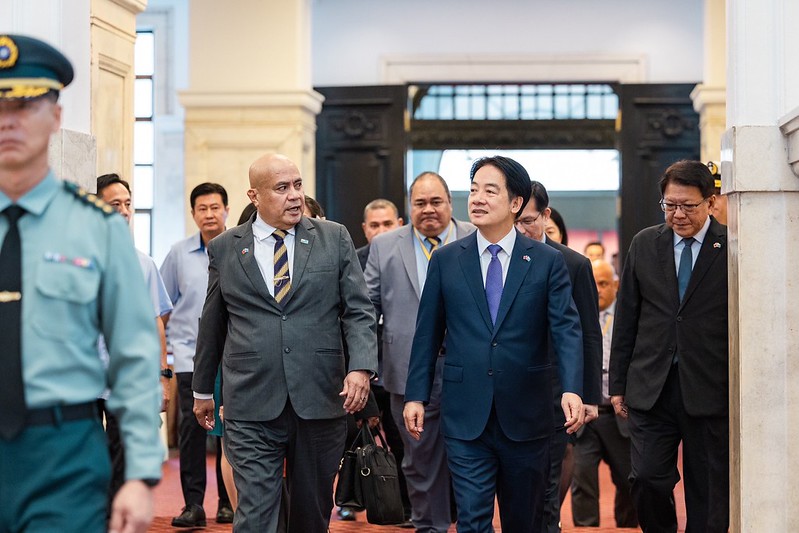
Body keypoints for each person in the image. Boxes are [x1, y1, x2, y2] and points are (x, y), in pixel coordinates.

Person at [0, 34, 162, 533]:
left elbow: (134, 354)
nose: (8, 119)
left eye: (25, 104)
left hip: (63, 453)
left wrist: (139, 472)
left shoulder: (97, 227)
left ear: (56, 115)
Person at [191, 153, 378, 533]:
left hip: (320, 397)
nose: (294, 196)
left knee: (310, 515)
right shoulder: (226, 248)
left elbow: (358, 311)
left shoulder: (334, 238)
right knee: (256, 515)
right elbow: (213, 322)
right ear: (254, 195)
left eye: (297, 185)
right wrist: (201, 390)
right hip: (250, 400)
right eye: (281, 188)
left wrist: (360, 367)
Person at [404, 156, 585, 533]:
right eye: (473, 190)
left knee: (525, 521)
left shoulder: (546, 262)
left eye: (490, 190)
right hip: (465, 413)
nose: (477, 199)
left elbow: (566, 329)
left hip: (528, 413)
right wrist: (415, 395)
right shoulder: (448, 260)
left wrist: (572, 389)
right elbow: (427, 333)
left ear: (516, 202)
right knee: (472, 520)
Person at [609, 160, 729, 532]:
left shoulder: (731, 246)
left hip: (710, 386)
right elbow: (626, 315)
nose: (677, 214)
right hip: (651, 387)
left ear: (710, 202)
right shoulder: (645, 243)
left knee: (708, 491)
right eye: (669, 205)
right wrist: (617, 385)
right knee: (647, 479)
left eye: (688, 206)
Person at [365, 172, 474, 532]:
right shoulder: (384, 246)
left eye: (436, 201)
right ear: (409, 207)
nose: (428, 209)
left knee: (473, 459)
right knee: (420, 462)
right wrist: (364, 368)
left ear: (450, 203)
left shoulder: (475, 237)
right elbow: (365, 311)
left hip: (471, 371)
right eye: (420, 203)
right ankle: (431, 528)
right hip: (407, 371)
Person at [514, 181, 603, 533]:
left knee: (547, 489)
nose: (520, 229)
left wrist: (590, 396)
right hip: (507, 392)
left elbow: (589, 333)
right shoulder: (494, 261)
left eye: (528, 221)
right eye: (515, 221)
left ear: (546, 216)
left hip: (554, 394)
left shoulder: (574, 264)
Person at [96, 173, 174, 509]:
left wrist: (162, 376)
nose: (125, 211)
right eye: (116, 204)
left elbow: (156, 320)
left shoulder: (143, 263)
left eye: (129, 204)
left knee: (122, 457)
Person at [160, 182, 233, 527]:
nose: (209, 214)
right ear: (193, 214)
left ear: (226, 210)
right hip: (189, 357)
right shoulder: (177, 254)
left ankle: (226, 501)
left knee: (228, 431)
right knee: (191, 433)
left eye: (215, 207)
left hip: (229, 360)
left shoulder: (238, 249)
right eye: (202, 208)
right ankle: (193, 504)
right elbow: (163, 307)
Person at [354, 197, 411, 523]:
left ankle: (406, 506)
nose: (380, 231)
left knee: (403, 443)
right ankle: (356, 501)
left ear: (399, 224)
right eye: (374, 225)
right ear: (364, 229)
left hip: (398, 368)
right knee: (360, 446)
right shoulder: (353, 261)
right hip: (364, 369)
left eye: (387, 224)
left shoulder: (410, 259)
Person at [570, 259, 637, 528]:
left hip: (619, 413)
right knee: (582, 480)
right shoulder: (575, 315)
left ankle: (627, 526)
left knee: (629, 481)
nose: (597, 290)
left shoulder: (628, 314)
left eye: (603, 284)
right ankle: (585, 528)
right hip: (585, 414)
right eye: (593, 283)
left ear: (616, 285)